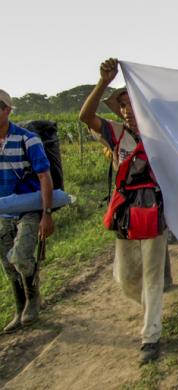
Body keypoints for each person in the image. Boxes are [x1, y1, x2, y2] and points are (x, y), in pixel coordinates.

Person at [79, 58, 167, 364]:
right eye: (123, 105)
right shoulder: (115, 133)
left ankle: (150, 336)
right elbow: (85, 116)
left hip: (155, 210)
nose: (128, 109)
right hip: (126, 213)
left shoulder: (161, 136)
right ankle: (150, 312)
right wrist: (103, 82)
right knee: (129, 278)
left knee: (152, 275)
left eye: (132, 103)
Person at [0, 89, 55, 332]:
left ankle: (33, 298)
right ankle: (19, 306)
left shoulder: (27, 139)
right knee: (7, 265)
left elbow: (44, 177)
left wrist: (47, 214)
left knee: (21, 256)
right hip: (3, 211)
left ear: (8, 110)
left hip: (29, 208)